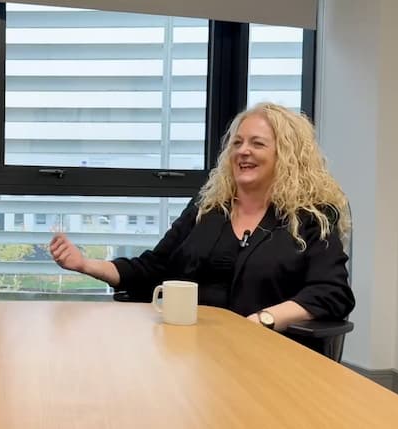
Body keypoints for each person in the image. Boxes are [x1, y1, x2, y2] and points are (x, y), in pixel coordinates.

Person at [49, 102, 355, 332]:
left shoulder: (311, 218)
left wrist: (263, 320)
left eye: (257, 143)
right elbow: (154, 268)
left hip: (270, 354)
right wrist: (85, 264)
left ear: (286, 156)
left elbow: (331, 292)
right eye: (237, 143)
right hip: (194, 351)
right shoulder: (206, 209)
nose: (243, 151)